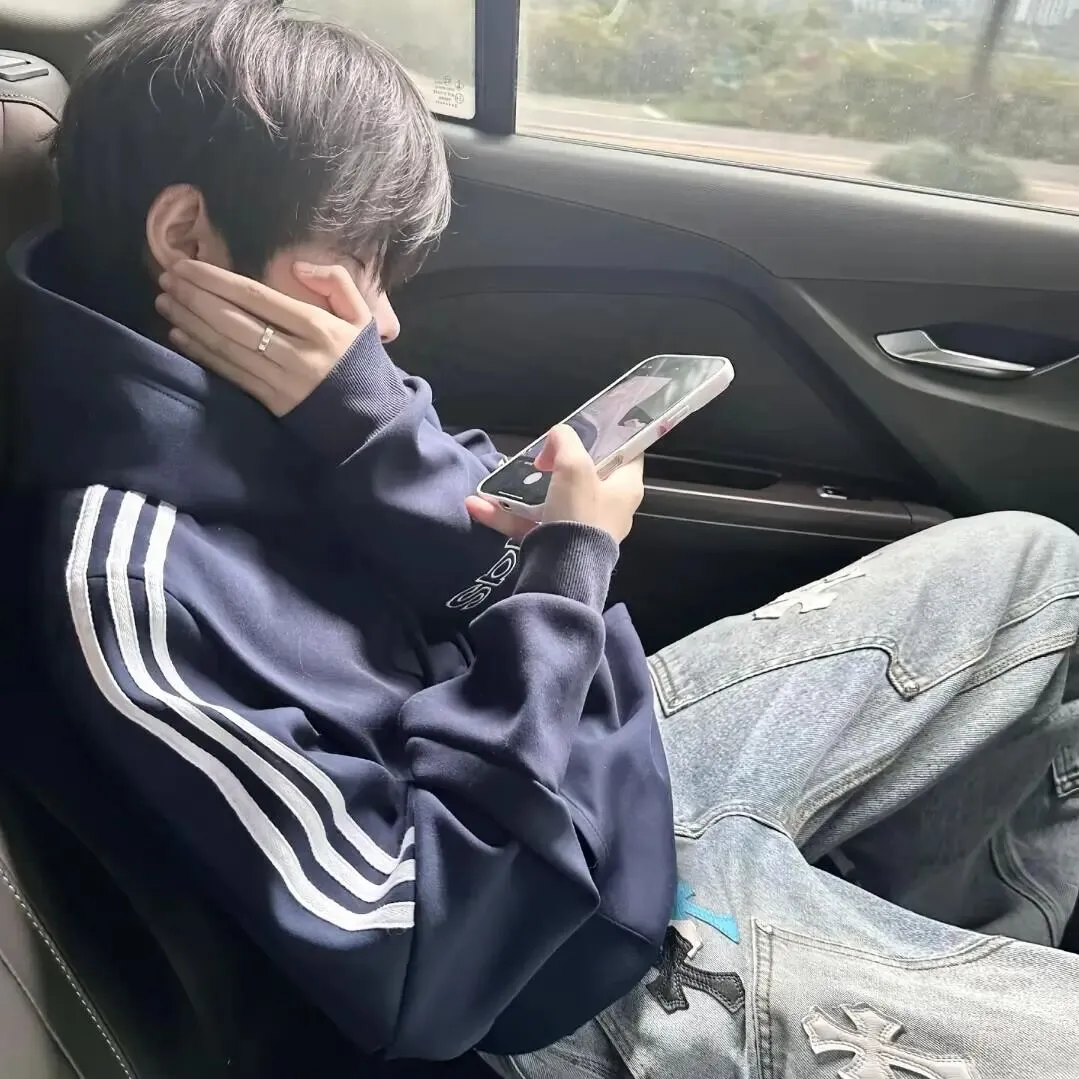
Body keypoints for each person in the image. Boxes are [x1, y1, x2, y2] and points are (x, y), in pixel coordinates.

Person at [10, 1, 1079, 1075]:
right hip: (547, 975)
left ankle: (919, 948)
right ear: (187, 238)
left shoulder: (300, 398)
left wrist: (377, 436)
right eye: (358, 263)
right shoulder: (126, 577)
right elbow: (421, 954)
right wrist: (566, 575)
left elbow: (485, 567)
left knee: (1038, 569)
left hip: (580, 785)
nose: (384, 322)